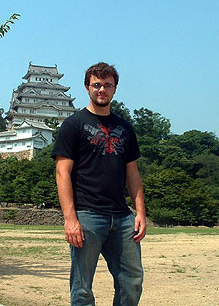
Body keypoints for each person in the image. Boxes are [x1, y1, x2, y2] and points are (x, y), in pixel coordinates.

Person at [51, 62, 146, 306]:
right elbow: (62, 173)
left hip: (122, 218)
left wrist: (140, 214)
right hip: (87, 215)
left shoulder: (124, 128)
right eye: (96, 85)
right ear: (87, 88)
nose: (101, 90)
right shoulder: (74, 124)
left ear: (115, 89)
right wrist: (70, 219)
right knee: (82, 287)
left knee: (132, 280)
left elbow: (133, 174)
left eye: (107, 85)